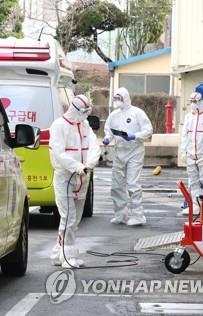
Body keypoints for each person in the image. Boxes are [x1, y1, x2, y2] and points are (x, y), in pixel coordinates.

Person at [49, 95, 101, 267]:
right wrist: (77, 166)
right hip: (65, 177)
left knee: (75, 219)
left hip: (83, 178)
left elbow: (94, 146)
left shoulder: (85, 125)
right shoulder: (58, 126)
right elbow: (59, 153)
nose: (86, 115)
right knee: (68, 217)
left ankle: (58, 251)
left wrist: (90, 163)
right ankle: (67, 255)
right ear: (74, 109)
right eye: (83, 112)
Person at [103, 87, 153, 226]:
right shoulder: (114, 115)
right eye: (115, 99)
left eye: (119, 99)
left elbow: (148, 130)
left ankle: (138, 215)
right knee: (117, 184)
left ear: (125, 98)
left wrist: (135, 136)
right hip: (119, 151)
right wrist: (108, 138)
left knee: (132, 183)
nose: (117, 101)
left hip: (134, 151)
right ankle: (120, 214)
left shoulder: (137, 113)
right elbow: (109, 129)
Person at [180, 92, 203, 215]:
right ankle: (196, 206)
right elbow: (185, 135)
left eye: (195, 102)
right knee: (193, 181)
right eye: (191, 102)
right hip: (190, 154)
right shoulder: (189, 117)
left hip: (202, 154)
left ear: (200, 102)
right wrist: (183, 150)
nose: (193, 105)